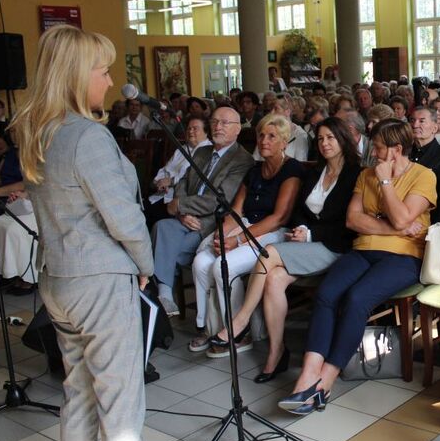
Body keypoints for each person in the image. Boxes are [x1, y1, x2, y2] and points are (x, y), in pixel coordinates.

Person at [13, 25, 153, 441]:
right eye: (103, 70)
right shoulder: (86, 137)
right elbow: (124, 219)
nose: (111, 81)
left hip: (60, 280)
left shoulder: (39, 133)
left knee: (79, 395)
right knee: (121, 404)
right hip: (99, 280)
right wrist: (146, 266)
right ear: (77, 76)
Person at [277, 119, 436, 414]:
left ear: (396, 149)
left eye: (377, 147)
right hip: (362, 250)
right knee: (326, 294)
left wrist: (386, 183)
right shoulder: (365, 175)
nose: (372, 153)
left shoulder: (423, 176)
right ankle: (307, 376)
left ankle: (325, 381)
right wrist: (396, 227)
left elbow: (402, 217)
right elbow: (353, 220)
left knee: (356, 298)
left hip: (404, 258)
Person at [211, 118, 361, 381]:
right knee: (274, 279)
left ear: (343, 141)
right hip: (307, 244)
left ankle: (241, 319)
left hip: (336, 246)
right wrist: (301, 229)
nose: (324, 143)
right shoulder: (316, 172)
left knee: (268, 251)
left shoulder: (355, 173)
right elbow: (299, 212)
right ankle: (276, 352)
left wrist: (311, 233)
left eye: (331, 138)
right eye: (321, 138)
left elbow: (349, 224)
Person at [190, 114, 303, 356]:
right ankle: (208, 326)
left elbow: (279, 218)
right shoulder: (254, 170)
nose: (264, 141)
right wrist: (222, 235)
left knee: (224, 265)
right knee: (201, 262)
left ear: (284, 142)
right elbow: (236, 210)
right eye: (261, 135)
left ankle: (242, 332)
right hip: (246, 226)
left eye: (272, 136)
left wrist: (237, 240)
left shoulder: (292, 170)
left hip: (274, 234)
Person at [151, 106, 255, 316]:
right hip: (183, 219)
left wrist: (179, 205)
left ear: (237, 130)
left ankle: (160, 286)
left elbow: (219, 200)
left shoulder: (242, 160)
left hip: (209, 224)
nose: (218, 127)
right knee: (161, 226)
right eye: (215, 121)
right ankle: (165, 295)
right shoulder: (202, 151)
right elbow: (182, 183)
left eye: (225, 123)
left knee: (163, 247)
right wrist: (180, 212)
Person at [145, 116, 212, 227]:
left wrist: (170, 181)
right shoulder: (182, 149)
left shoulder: (208, 152)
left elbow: (193, 178)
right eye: (189, 128)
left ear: (206, 132)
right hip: (161, 195)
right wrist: (160, 182)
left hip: (179, 201)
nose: (190, 131)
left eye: (195, 128)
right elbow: (165, 170)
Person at [409, 107, 440, 172]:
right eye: (412, 121)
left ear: (434, 128)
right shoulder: (402, 152)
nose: (415, 125)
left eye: (422, 121)